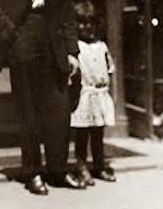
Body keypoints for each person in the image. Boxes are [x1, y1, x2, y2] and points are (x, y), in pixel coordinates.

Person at [0, 0, 86, 195]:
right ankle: (32, 172)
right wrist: (7, 31)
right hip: (21, 34)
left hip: (53, 38)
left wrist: (71, 51)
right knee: (28, 111)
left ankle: (58, 170)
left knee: (59, 107)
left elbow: (66, 10)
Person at [70, 0, 116, 185]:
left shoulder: (102, 46)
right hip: (83, 95)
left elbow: (110, 69)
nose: (86, 28)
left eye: (90, 23)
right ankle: (81, 167)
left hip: (100, 94)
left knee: (98, 134)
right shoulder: (76, 47)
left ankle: (99, 166)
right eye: (81, 23)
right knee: (82, 134)